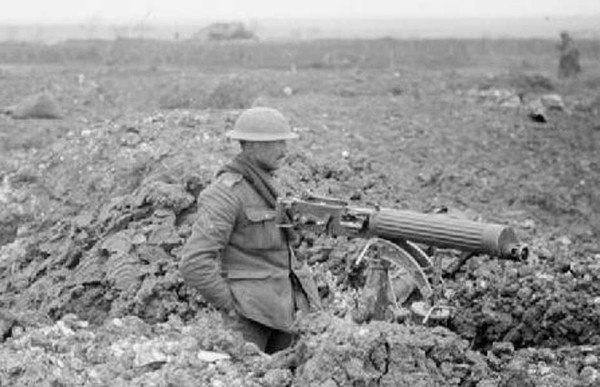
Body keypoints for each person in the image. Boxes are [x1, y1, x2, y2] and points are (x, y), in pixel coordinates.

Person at [179, 106, 321, 354]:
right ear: (252, 145)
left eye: (284, 142)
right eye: (276, 142)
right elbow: (194, 263)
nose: (284, 150)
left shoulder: (271, 185)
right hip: (249, 319)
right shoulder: (225, 194)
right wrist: (232, 307)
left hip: (284, 311)